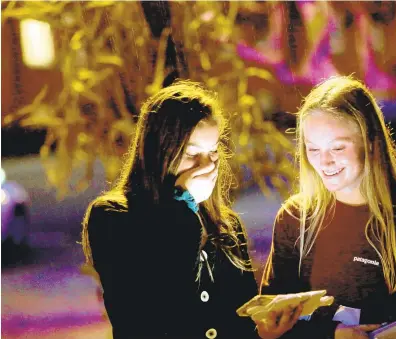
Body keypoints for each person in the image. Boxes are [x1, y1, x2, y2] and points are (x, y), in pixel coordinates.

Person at [81, 80, 302, 339]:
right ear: (160, 153)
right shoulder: (114, 216)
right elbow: (152, 311)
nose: (206, 165)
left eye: (213, 152)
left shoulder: (226, 225)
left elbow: (240, 319)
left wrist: (263, 331)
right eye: (192, 154)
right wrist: (183, 202)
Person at [261, 76, 396, 339]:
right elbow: (273, 316)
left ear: (371, 143)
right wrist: (331, 333)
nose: (324, 161)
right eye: (313, 149)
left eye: (337, 147)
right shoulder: (295, 218)